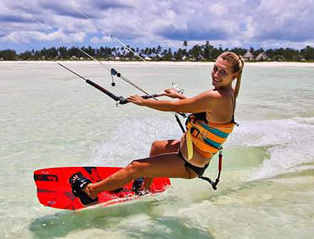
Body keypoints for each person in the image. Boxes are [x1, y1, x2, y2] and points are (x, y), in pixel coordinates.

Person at [70, 52, 245, 204]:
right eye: (215, 68)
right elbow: (198, 106)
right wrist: (178, 95)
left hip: (189, 163)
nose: (216, 74)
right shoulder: (227, 92)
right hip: (189, 149)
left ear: (234, 75)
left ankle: (90, 192)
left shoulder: (216, 96)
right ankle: (144, 190)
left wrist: (143, 102)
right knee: (156, 147)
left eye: (223, 72)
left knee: (136, 167)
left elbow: (175, 107)